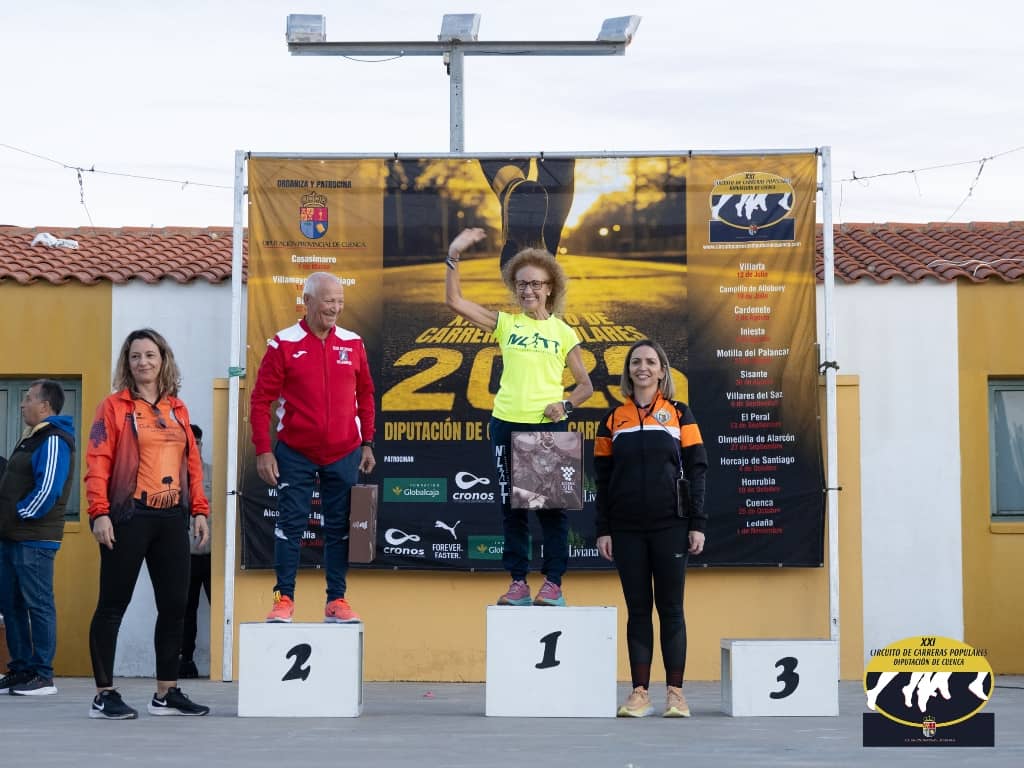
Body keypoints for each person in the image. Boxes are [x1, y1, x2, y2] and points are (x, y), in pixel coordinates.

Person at [445, 227, 593, 607]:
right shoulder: (507, 325)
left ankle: (553, 584)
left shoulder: (563, 332)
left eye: (535, 284)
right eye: (521, 284)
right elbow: (455, 301)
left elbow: (585, 386)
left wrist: (566, 406)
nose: (528, 291)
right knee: (513, 508)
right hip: (505, 424)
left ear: (550, 288)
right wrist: (454, 254)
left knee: (551, 511)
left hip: (546, 427)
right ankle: (518, 583)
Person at [85, 328, 210, 719]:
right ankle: (103, 695)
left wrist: (200, 509)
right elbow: (98, 460)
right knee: (112, 606)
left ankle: (166, 694)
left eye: (150, 355)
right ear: (128, 363)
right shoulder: (113, 407)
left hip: (172, 518)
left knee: (174, 607)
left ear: (163, 360)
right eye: (136, 356)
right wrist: (99, 512)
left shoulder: (178, 409)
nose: (143, 362)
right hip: (128, 516)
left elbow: (192, 464)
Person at [251, 272, 376, 624]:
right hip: (295, 452)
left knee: (339, 528)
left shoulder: (353, 343)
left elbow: (366, 394)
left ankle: (336, 600)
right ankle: (283, 599)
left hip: (345, 451)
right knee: (290, 525)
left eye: (340, 301)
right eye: (328, 301)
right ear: (307, 301)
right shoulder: (283, 344)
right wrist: (263, 449)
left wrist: (367, 441)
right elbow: (260, 401)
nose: (335, 308)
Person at [593, 339, 708, 718]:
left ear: (662, 371)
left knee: (671, 609)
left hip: (671, 525)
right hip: (626, 529)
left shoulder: (679, 413)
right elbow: (602, 480)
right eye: (636, 362)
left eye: (650, 362)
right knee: (638, 610)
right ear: (628, 371)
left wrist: (697, 523)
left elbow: (697, 470)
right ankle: (639, 693)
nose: (642, 367)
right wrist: (604, 528)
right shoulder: (613, 419)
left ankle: (676, 694)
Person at [0, 380, 75, 696]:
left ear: (45, 406)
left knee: (38, 605)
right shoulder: (31, 437)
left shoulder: (54, 438)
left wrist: (18, 514)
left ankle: (43, 675)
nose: (22, 404)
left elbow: (48, 490)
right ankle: (21, 670)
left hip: (34, 540)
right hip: (12, 537)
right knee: (11, 604)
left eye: (28, 398)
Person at [178, 423, 212, 679]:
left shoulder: (213, 474)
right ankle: (185, 661)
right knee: (186, 610)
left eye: (198, 443)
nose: (195, 447)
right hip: (185, 555)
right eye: (191, 442)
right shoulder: (174, 475)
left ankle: (226, 660)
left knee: (219, 606)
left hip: (212, 555)